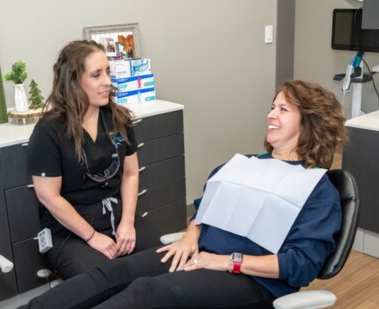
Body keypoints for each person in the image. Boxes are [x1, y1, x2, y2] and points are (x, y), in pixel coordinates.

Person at [20, 80, 348, 308]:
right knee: (112, 272)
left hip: (252, 280)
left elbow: (300, 265)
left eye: (283, 110)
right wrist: (191, 234)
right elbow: (205, 207)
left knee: (146, 294)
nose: (270, 115)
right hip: (197, 253)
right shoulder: (242, 165)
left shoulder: (317, 190)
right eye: (272, 107)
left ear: (309, 124)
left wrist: (225, 262)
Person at [26, 40, 161, 280]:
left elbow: (130, 173)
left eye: (107, 72)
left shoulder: (118, 119)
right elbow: (49, 196)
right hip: (69, 230)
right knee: (105, 281)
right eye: (97, 75)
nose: (107, 81)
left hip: (116, 218)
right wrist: (91, 236)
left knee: (163, 263)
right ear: (74, 81)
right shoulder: (49, 131)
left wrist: (128, 223)